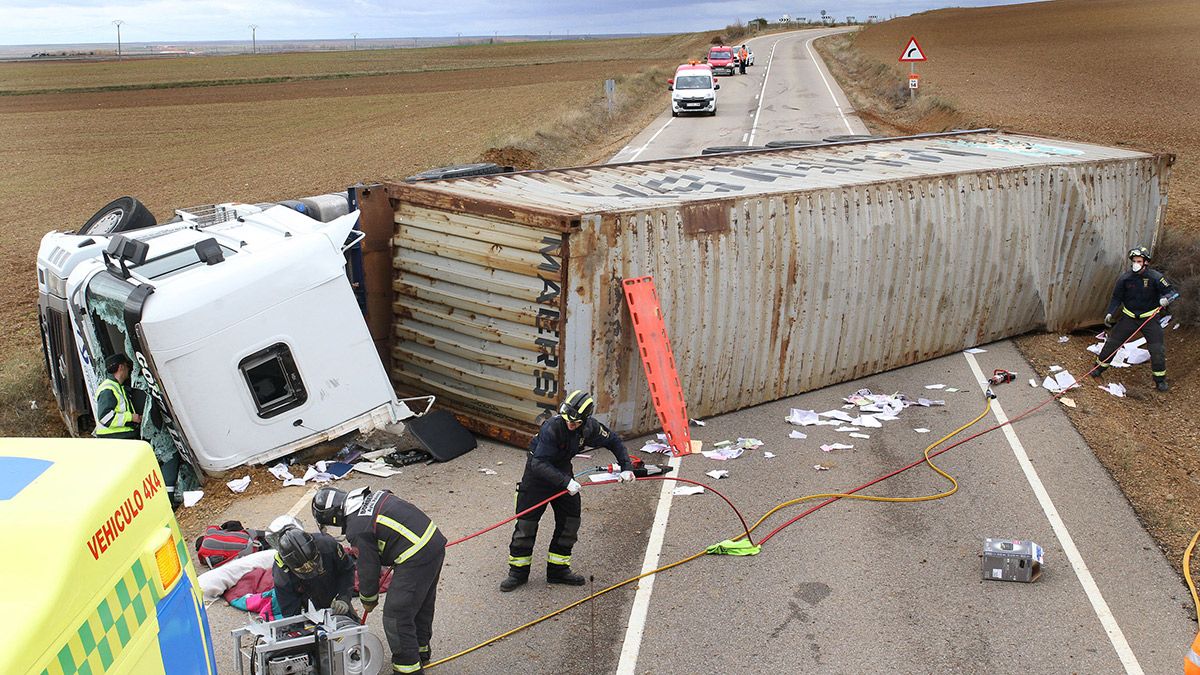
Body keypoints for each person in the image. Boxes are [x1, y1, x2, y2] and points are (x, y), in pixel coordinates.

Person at [499, 389, 635, 592]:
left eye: (576, 422)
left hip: (562, 473)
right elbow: (538, 463)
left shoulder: (590, 428)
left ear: (584, 420)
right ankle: (518, 572)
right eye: (568, 420)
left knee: (570, 522)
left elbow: (613, 440)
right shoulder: (552, 428)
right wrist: (566, 483)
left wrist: (626, 467)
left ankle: (558, 570)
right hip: (537, 479)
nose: (570, 425)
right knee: (526, 526)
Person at [312, 486, 445, 675]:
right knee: (420, 604)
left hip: (415, 555)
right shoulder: (373, 497)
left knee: (396, 615)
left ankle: (407, 669)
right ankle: (421, 651)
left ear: (332, 516)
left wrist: (368, 598)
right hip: (433, 542)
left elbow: (368, 568)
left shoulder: (357, 528)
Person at [1092, 245, 1179, 391]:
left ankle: (1160, 380)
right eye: (1134, 261)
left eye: (1139, 261)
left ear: (1145, 262)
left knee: (1157, 349)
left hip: (1149, 319)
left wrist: (1166, 299)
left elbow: (1173, 292)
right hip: (1129, 317)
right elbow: (1116, 298)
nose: (1135, 264)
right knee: (1112, 343)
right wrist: (1110, 312)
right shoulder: (1125, 279)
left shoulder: (1156, 278)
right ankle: (1098, 368)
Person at [272, 525, 357, 619]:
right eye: (303, 569)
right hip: (308, 604)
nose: (309, 569)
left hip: (333, 594)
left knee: (353, 625)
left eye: (313, 562)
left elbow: (347, 570)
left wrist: (344, 597)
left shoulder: (328, 545)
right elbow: (290, 612)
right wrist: (299, 629)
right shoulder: (282, 575)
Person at [94, 353, 141, 438]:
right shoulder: (108, 389)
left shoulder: (118, 386)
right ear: (121, 367)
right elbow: (105, 417)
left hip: (119, 436)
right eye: (127, 366)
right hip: (114, 438)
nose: (129, 369)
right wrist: (131, 417)